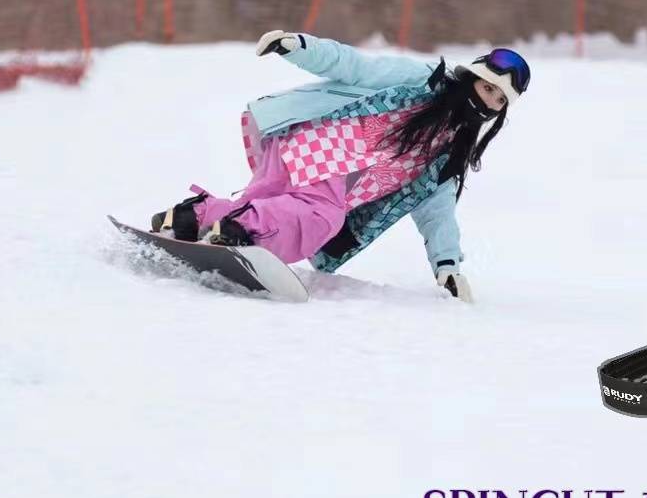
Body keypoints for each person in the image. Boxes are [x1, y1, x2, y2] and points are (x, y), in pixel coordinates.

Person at [151, 31, 530, 301]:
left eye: (499, 99)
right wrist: (300, 47)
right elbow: (357, 67)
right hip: (324, 144)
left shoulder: (450, 153)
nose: (489, 99)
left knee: (264, 203)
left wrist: (446, 265)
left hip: (295, 151)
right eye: (487, 87)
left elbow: (438, 214)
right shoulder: (424, 81)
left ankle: (194, 217)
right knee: (321, 218)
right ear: (473, 77)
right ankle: (240, 233)